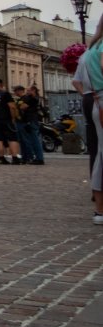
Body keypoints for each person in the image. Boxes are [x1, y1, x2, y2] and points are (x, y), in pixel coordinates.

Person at [74, 14, 103, 225]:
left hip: (94, 99)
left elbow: (76, 81)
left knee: (99, 153)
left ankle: (99, 208)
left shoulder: (90, 50)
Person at [15, 85, 45, 165]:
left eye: (28, 90)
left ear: (33, 90)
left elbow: (22, 107)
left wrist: (20, 106)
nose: (27, 92)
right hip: (29, 120)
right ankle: (33, 157)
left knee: (34, 140)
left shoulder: (33, 99)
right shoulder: (33, 98)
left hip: (31, 120)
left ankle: (39, 158)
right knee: (30, 140)